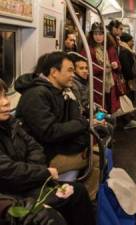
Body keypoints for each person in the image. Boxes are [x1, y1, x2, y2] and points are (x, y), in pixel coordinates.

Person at [0, 79, 95, 225]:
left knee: (78, 191)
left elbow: (34, 147)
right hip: (11, 193)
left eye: (5, 95)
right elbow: (8, 171)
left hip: (28, 180)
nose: (6, 102)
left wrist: (36, 170)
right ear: (54, 72)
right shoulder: (36, 96)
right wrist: (43, 172)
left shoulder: (10, 123)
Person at [15, 52, 89, 162]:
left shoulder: (60, 91)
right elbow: (49, 132)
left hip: (54, 146)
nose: (73, 75)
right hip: (41, 154)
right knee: (96, 159)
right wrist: (83, 123)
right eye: (69, 70)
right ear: (54, 72)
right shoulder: (36, 95)